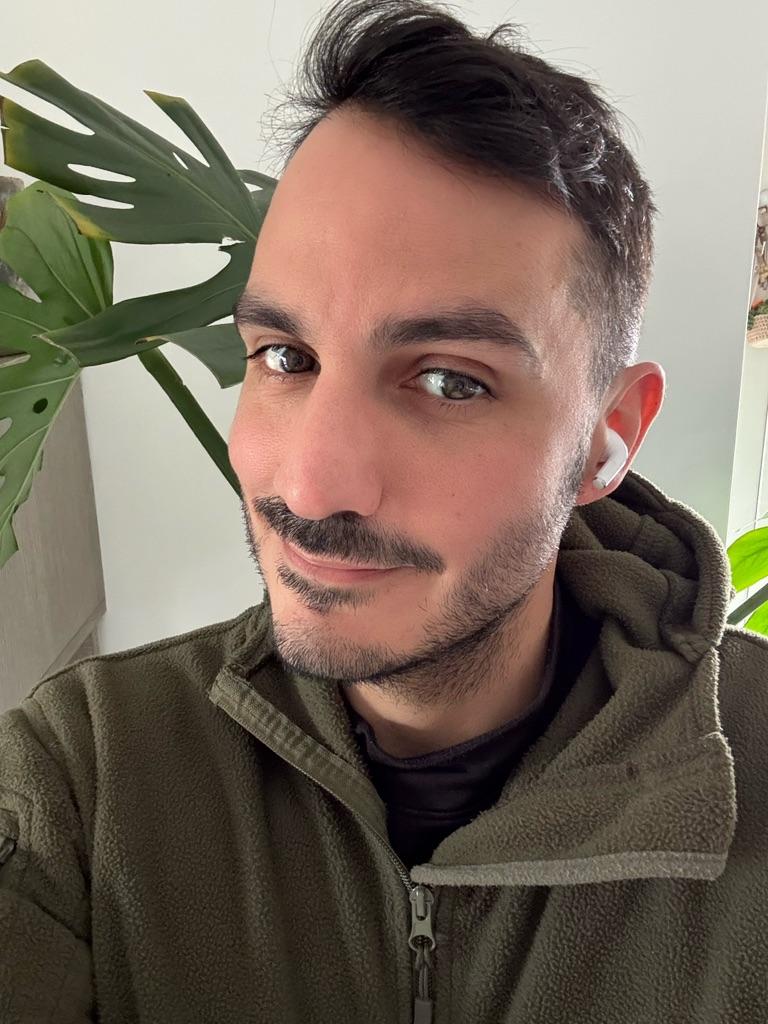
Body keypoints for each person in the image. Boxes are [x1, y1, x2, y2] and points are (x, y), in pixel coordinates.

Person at [2, 1, 766, 1021]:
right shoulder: (81, 776)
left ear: (607, 436)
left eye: (450, 381)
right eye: (286, 357)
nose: (312, 489)